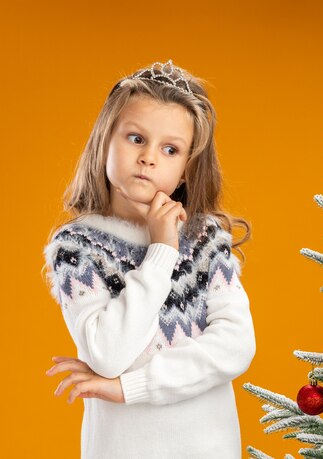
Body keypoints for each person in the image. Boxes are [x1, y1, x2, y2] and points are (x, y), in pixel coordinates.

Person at [42, 60, 256, 458]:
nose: (149, 158)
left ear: (187, 171)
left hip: (209, 447)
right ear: (105, 140)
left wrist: (129, 388)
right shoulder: (78, 246)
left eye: (170, 149)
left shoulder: (205, 238)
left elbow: (236, 346)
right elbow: (107, 355)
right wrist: (161, 253)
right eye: (136, 138)